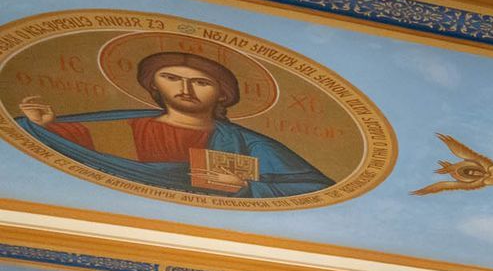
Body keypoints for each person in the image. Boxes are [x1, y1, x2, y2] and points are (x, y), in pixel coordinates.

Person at [16, 50, 334, 199]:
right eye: (171, 78)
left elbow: (316, 190)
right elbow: (71, 144)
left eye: (201, 82)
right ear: (154, 86)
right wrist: (45, 126)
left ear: (223, 95)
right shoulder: (125, 125)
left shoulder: (250, 144)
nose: (185, 89)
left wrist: (248, 187)